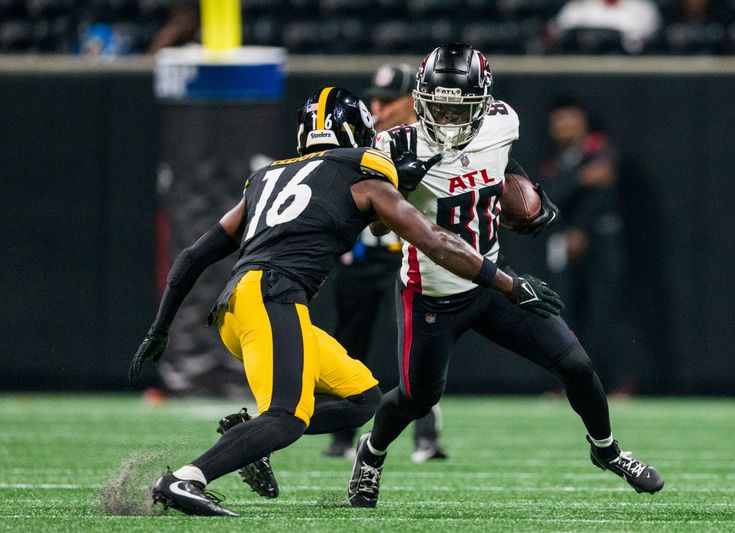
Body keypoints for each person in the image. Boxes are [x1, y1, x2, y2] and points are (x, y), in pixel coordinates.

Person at [128, 86, 563, 516]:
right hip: (272, 296)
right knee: (286, 417)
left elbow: (193, 256)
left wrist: (160, 327)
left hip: (240, 306)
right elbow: (432, 239)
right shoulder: (364, 167)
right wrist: (506, 283)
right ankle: (186, 479)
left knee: (363, 399)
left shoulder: (267, 175)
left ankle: (245, 436)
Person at [348, 43, 664, 509]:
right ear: (419, 100)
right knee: (415, 398)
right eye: (437, 107)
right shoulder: (394, 146)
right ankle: (370, 455)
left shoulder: (500, 123)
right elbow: (373, 224)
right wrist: (397, 183)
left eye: (460, 110)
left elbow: (499, 163)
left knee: (576, 364)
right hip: (431, 293)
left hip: (489, 282)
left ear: (481, 106)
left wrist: (529, 194)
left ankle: (607, 450)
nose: (448, 120)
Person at [324, 63, 447, 462]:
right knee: (347, 347)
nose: (378, 107)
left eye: (388, 99)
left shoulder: (433, 142)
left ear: (412, 99)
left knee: (416, 351)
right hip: (362, 256)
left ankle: (426, 437)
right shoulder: (361, 138)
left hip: (409, 258)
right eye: (374, 99)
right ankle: (342, 435)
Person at [537, 96, 638, 395]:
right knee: (562, 316)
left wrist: (580, 226)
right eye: (558, 121)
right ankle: (567, 384)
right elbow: (548, 197)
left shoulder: (599, 148)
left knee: (606, 312)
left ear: (583, 122)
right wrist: (580, 178)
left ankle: (617, 383)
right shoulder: (554, 162)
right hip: (565, 243)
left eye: (570, 119)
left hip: (601, 241)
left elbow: (602, 187)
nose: (564, 126)